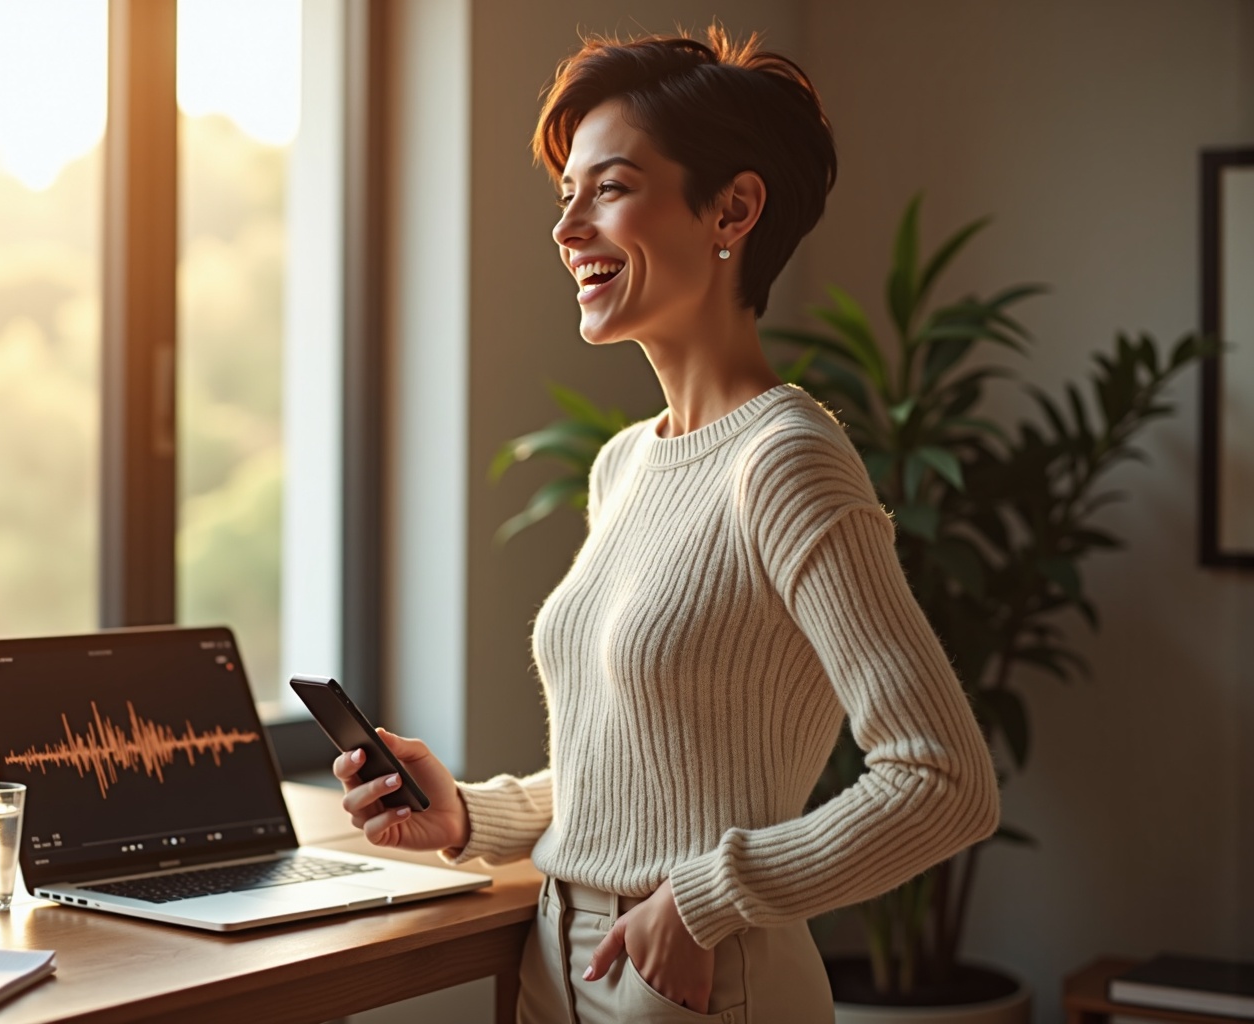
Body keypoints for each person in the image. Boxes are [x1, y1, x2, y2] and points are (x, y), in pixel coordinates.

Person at [334, 25, 999, 1023]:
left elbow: (943, 779)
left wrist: (704, 899)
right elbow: (640, 776)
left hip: (695, 978)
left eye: (609, 188)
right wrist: (469, 813)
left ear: (732, 209)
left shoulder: (787, 461)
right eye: (567, 196)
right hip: (555, 959)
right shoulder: (625, 465)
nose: (567, 229)